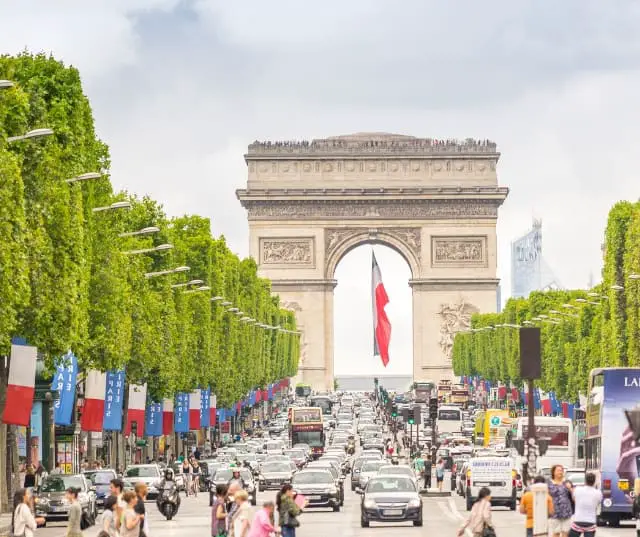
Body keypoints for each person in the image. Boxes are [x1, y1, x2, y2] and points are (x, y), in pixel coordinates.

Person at [568, 472, 602, 537]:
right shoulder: (598, 493)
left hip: (578, 520)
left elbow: (574, 499)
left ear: (585, 480)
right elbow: (598, 503)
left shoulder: (577, 489)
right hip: (591, 522)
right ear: (594, 481)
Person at [548, 465, 574, 537]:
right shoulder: (549, 483)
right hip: (555, 512)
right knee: (556, 533)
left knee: (566, 533)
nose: (560, 472)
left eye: (562, 470)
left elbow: (574, 497)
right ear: (553, 472)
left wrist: (570, 489)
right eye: (558, 470)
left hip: (566, 512)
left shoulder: (567, 483)